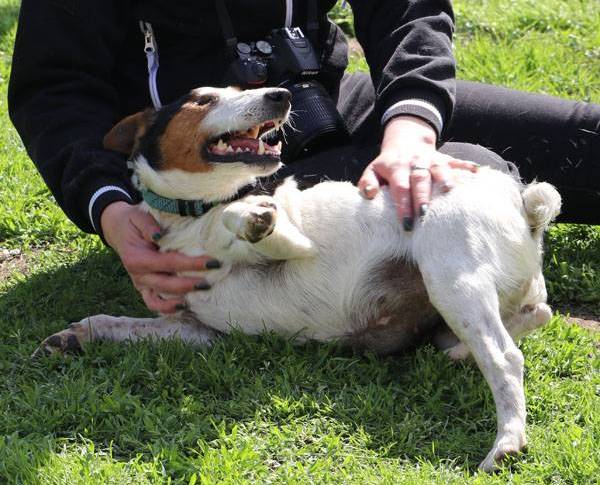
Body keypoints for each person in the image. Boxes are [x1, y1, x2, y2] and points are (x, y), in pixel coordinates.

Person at [8, 1, 600, 314]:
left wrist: (411, 130)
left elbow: (408, 9)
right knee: (473, 172)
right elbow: (55, 87)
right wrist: (110, 207)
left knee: (582, 139)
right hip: (207, 175)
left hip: (315, 101)